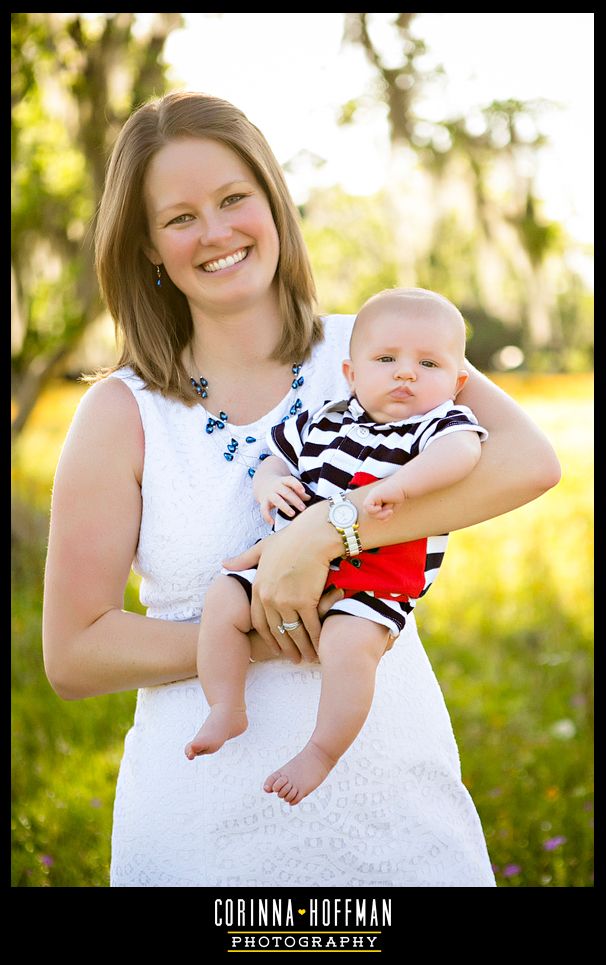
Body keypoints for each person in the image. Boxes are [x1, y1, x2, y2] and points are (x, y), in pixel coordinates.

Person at [42, 90, 560, 888]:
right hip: (202, 844)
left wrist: (326, 532)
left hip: (399, 830)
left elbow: (527, 460)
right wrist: (270, 630)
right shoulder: (121, 412)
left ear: (274, 206)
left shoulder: (377, 346)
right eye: (179, 217)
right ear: (147, 244)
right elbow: (74, 652)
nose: (214, 232)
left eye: (232, 199)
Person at [185, 287, 488, 808]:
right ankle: (225, 705)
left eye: (429, 363)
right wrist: (268, 483)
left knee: (350, 648)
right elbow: (276, 458)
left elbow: (462, 455)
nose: (406, 373)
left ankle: (322, 751)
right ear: (351, 374)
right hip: (288, 561)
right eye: (387, 359)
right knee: (223, 600)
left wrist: (399, 487)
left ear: (457, 382)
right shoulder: (324, 420)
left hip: (376, 580)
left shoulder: (438, 425)